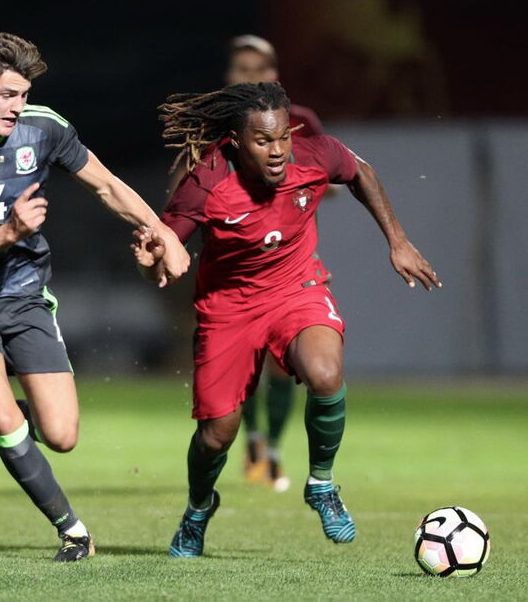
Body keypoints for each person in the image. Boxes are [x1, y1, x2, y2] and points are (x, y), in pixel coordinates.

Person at [0, 31, 189, 561]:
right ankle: (73, 530)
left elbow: (106, 185)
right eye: (6, 94)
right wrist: (9, 233)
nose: (18, 106)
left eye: (24, 94)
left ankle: (8, 412)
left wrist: (164, 233)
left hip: (24, 297)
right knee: (5, 420)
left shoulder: (45, 128)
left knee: (61, 434)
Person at [134, 82, 439, 557]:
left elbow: (360, 173)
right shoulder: (207, 181)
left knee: (325, 373)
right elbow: (165, 251)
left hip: (296, 288)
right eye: (263, 141)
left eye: (283, 138)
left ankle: (321, 484)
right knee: (218, 434)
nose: (277, 151)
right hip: (227, 307)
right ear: (236, 142)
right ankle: (197, 509)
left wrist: (397, 240)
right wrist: (152, 258)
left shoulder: (315, 154)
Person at [225, 34, 326, 492]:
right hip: (232, 261)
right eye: (240, 69)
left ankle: (274, 451)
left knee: (283, 365)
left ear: (273, 74)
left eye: (258, 69)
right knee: (244, 361)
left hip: (287, 261)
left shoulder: (299, 122)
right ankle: (253, 438)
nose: (249, 77)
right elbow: (189, 181)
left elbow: (331, 171)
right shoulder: (218, 124)